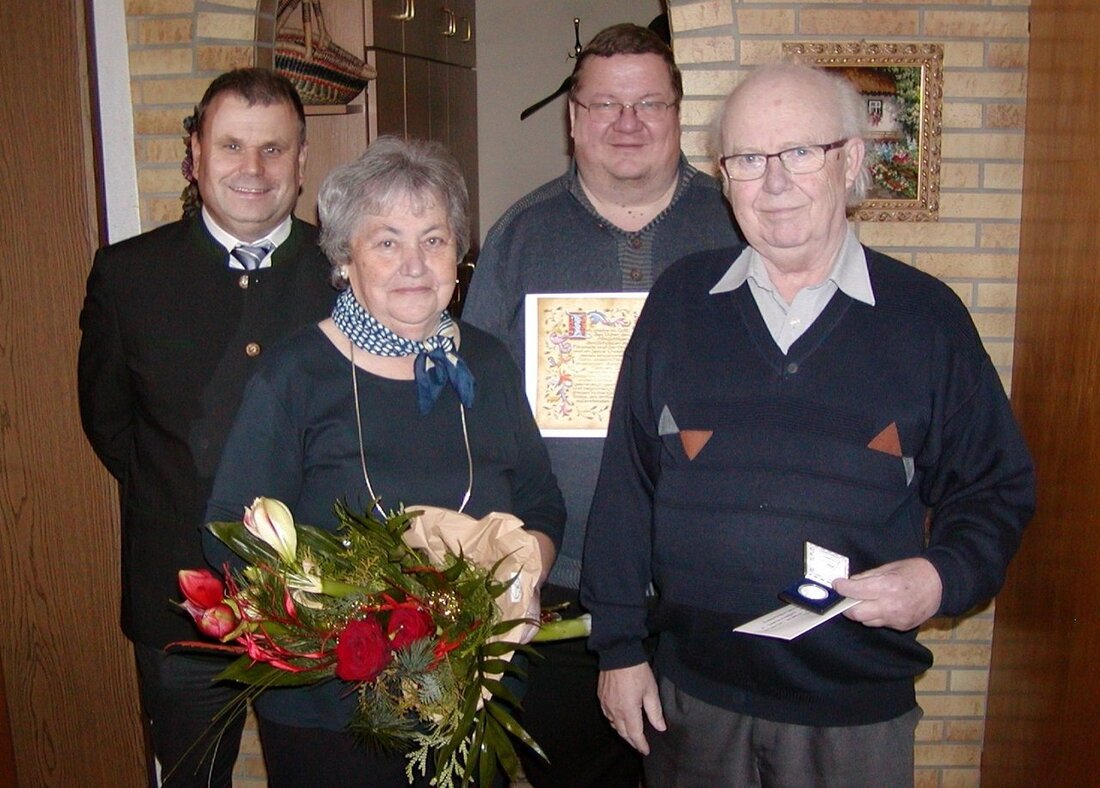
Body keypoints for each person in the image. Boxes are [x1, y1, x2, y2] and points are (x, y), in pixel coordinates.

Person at [581, 62, 1036, 787]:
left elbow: (996, 489)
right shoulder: (678, 305)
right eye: (748, 160)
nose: (775, 182)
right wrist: (618, 650)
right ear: (725, 178)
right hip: (693, 703)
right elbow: (626, 487)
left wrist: (939, 576)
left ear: (851, 160)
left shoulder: (928, 320)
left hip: (854, 718)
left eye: (801, 153)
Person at [203, 136, 565, 786]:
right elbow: (230, 531)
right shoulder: (295, 375)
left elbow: (541, 503)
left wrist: (515, 576)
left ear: (459, 253)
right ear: (346, 258)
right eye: (387, 242)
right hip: (333, 712)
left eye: (434, 239)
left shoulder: (484, 362)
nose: (415, 264)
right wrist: (339, 621)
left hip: (467, 698)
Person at [461, 22, 740, 787]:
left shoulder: (737, 228)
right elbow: (472, 407)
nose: (628, 123)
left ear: (680, 113)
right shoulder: (517, 238)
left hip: (707, 584)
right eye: (606, 104)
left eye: (649, 103)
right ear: (573, 119)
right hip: (563, 584)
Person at [78, 68, 335, 786]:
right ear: (194, 153)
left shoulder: (347, 273)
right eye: (230, 146)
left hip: (327, 599)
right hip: (178, 606)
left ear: (302, 160)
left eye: (273, 150)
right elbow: (109, 422)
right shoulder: (126, 275)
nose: (252, 170)